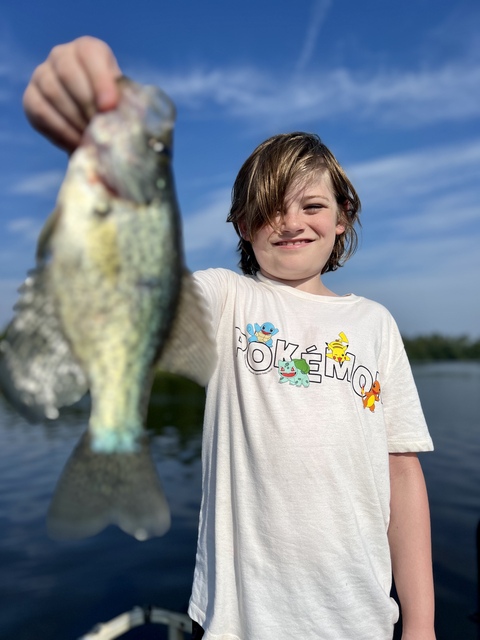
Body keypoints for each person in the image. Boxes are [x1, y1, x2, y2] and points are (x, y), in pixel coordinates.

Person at [23, 36, 436, 640]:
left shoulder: (375, 324)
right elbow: (135, 288)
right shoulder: (227, 298)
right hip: (238, 623)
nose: (292, 222)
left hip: (362, 621)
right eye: (269, 208)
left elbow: (403, 474)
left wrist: (420, 624)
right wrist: (94, 146)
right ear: (242, 224)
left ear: (343, 217)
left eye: (313, 205)